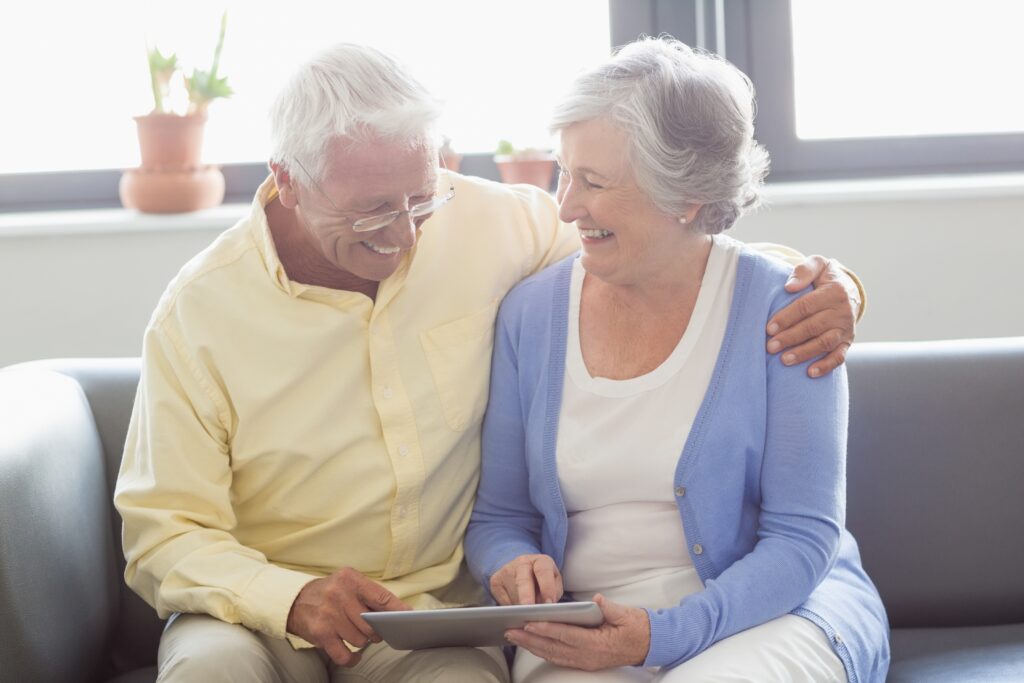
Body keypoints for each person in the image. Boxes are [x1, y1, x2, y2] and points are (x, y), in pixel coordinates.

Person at [114, 42, 866, 682]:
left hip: (426, 619)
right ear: (286, 179)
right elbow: (163, 531)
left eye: (420, 198)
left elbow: (671, 250)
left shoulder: (490, 223)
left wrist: (830, 290)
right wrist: (288, 595)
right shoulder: (201, 313)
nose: (404, 235)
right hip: (257, 614)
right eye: (372, 211)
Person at [465, 37, 889, 683]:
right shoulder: (531, 313)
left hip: (773, 615)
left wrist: (663, 636)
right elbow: (501, 516)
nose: (566, 205)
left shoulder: (790, 311)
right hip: (586, 630)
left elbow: (801, 541)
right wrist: (512, 561)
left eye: (594, 182)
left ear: (685, 196)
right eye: (563, 171)